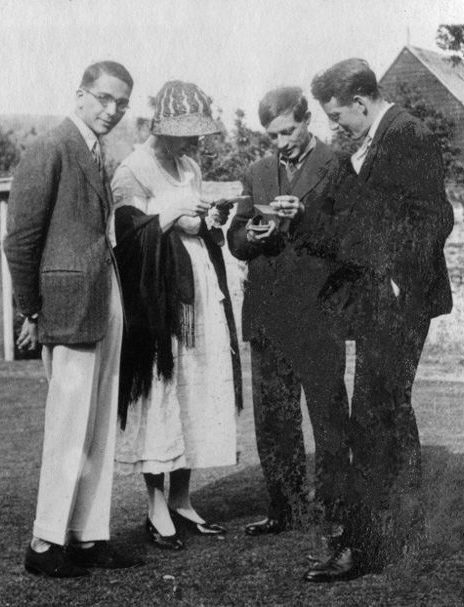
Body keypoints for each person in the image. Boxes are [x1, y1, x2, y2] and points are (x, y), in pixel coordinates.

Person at [302, 58, 454, 582]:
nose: (337, 125)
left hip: (398, 300)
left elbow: (436, 217)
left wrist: (395, 275)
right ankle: (401, 535)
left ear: (360, 102)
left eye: (337, 115)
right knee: (389, 412)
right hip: (384, 300)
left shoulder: (406, 134)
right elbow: (370, 215)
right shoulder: (374, 139)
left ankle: (364, 546)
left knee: (373, 415)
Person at [4, 61, 143, 577]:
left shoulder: (95, 149)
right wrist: (31, 310)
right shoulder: (52, 147)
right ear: (80, 94)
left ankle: (87, 536)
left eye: (122, 102)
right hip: (68, 307)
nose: (113, 110)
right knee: (68, 425)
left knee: (98, 423)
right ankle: (44, 543)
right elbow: (20, 240)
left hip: (104, 298)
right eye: (105, 98)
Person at [111, 80, 243, 550]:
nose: (194, 141)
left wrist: (206, 220)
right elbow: (128, 241)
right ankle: (155, 505)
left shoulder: (189, 166)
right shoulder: (133, 170)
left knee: (194, 388)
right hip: (159, 296)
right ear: (164, 128)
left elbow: (193, 224)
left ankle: (182, 499)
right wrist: (172, 212)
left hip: (198, 288)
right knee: (163, 392)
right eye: (187, 133)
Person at [227, 87, 350, 536]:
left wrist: (304, 217)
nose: (281, 143)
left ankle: (337, 509)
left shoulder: (338, 166)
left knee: (327, 414)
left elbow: (352, 238)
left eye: (288, 131)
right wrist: (253, 235)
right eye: (272, 135)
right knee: (274, 418)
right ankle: (284, 508)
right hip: (268, 313)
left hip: (318, 311)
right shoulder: (257, 171)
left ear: (307, 119)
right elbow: (236, 237)